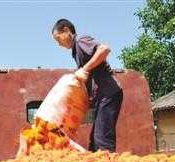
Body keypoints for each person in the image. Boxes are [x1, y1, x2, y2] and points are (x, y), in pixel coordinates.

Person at [52, 18, 123, 153]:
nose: (59, 44)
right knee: (95, 141)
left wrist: (84, 69)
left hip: (109, 93)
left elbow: (104, 49)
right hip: (102, 97)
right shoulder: (76, 50)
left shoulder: (80, 41)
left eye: (58, 39)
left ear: (66, 31)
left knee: (102, 140)